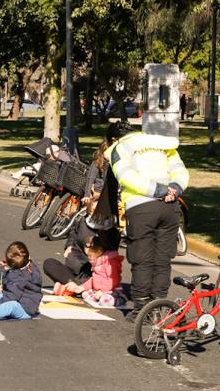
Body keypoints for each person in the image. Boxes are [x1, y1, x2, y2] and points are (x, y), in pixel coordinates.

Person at [106, 128, 189, 320]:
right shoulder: (162, 145)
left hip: (141, 207)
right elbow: (180, 170)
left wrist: (157, 190)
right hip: (170, 207)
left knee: (141, 259)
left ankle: (141, 310)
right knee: (162, 259)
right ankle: (159, 307)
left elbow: (125, 176)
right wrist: (174, 189)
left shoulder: (121, 147)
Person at [55, 234, 124, 308]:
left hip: (111, 291)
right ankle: (97, 297)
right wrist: (82, 287)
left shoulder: (109, 263)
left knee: (106, 299)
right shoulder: (96, 263)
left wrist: (103, 291)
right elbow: (93, 280)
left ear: (99, 251)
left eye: (90, 255)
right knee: (85, 293)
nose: (89, 258)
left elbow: (113, 281)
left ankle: (117, 299)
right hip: (97, 291)